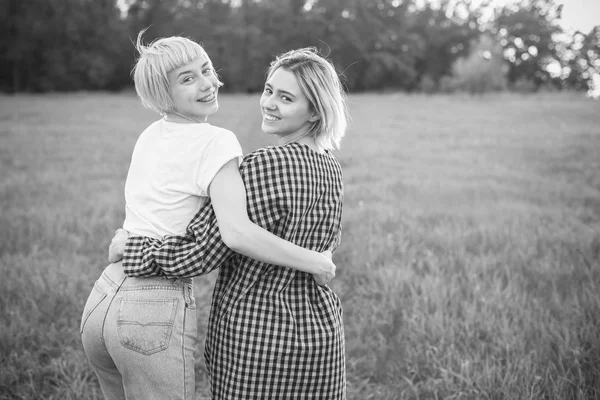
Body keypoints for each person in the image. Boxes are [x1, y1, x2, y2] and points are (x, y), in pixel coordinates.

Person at [80, 32, 337, 400]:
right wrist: (317, 261)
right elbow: (234, 233)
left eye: (207, 70)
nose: (208, 83)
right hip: (152, 306)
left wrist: (130, 244)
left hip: (103, 296)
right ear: (162, 95)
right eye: (188, 79)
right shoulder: (216, 141)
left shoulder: (150, 135)